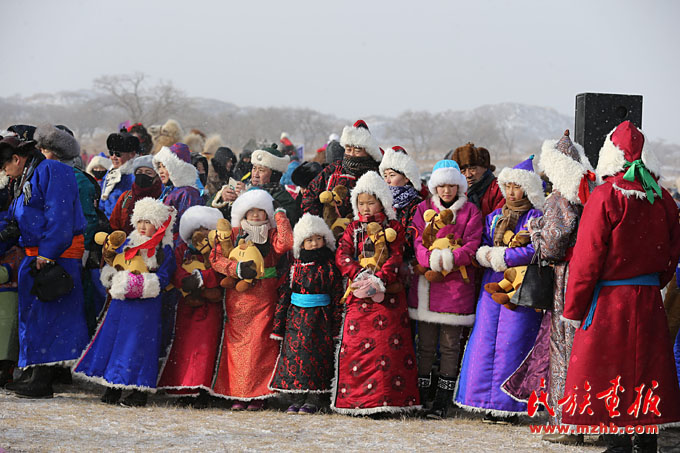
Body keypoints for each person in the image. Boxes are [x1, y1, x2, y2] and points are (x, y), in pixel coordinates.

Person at [561, 121, 680, 452]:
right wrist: (652, 283)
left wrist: (574, 307)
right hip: (648, 298)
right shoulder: (663, 198)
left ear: (610, 156)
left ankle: (617, 444)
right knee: (647, 370)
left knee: (609, 369)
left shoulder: (605, 196)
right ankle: (647, 442)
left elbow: (587, 259)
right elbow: (673, 253)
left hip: (610, 298)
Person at [501, 131, 595, 444]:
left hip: (566, 278)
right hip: (590, 276)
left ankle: (566, 422)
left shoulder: (559, 198)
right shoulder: (589, 193)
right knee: (584, 349)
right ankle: (586, 417)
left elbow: (553, 247)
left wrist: (535, 230)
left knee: (562, 347)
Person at [454, 156, 544, 422]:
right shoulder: (495, 217)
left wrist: (504, 256)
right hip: (491, 286)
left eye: (517, 187)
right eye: (508, 187)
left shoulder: (536, 217)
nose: (511, 192)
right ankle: (482, 400)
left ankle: (509, 405)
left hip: (520, 287)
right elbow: (482, 243)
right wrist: (485, 254)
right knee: (484, 342)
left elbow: (536, 250)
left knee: (514, 343)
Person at [0, 136, 89, 398]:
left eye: (4, 166)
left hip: (55, 255)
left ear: (16, 159)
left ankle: (43, 379)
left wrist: (48, 254)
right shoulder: (25, 178)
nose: (4, 172)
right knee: (35, 317)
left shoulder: (51, 170)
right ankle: (34, 372)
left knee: (51, 317)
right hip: (34, 254)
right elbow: (19, 218)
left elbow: (60, 215)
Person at [73, 198, 176, 407]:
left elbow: (164, 277)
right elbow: (115, 264)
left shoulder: (163, 248)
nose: (143, 226)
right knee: (115, 342)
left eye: (148, 222)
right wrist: (112, 278)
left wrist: (136, 284)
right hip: (121, 305)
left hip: (146, 306)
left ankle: (139, 390)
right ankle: (114, 384)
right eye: (140, 221)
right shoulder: (128, 242)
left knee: (140, 345)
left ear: (159, 224)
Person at [332, 171, 420, 415]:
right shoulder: (352, 228)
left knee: (387, 347)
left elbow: (396, 256)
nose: (366, 208)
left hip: (388, 295)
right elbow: (342, 254)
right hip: (358, 293)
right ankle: (356, 400)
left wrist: (380, 279)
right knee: (356, 347)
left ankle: (389, 400)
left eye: (370, 202)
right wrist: (359, 275)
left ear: (382, 202)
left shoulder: (393, 228)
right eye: (361, 203)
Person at [408, 159, 483, 418]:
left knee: (450, 346)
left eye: (451, 186)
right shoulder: (423, 208)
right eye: (442, 186)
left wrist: (451, 258)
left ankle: (442, 399)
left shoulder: (471, 211)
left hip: (455, 286)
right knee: (425, 344)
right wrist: (429, 259)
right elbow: (417, 240)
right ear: (435, 187)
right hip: (428, 284)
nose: (446, 191)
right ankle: (421, 395)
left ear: (459, 186)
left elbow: (472, 244)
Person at [209, 189, 293, 410]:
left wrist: (280, 215)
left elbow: (286, 244)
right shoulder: (233, 233)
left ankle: (259, 394)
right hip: (238, 298)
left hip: (265, 295)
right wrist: (235, 268)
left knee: (262, 344)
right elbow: (216, 258)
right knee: (237, 344)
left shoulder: (272, 234)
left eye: (261, 211)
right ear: (243, 213)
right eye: (251, 211)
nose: (255, 215)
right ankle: (237, 392)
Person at [270, 213, 343, 414]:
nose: (314, 243)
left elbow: (337, 296)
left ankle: (314, 398)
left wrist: (336, 326)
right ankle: (297, 397)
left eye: (318, 238)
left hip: (321, 319)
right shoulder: (295, 267)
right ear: (301, 244)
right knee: (295, 357)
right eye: (309, 240)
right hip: (296, 319)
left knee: (316, 358)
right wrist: (278, 326)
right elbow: (285, 295)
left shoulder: (330, 267)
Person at [157, 206, 224, 408]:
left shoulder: (218, 253)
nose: (201, 234)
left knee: (206, 348)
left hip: (210, 308)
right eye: (198, 229)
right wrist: (188, 283)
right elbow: (176, 270)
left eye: (206, 229)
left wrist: (201, 281)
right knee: (185, 347)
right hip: (186, 306)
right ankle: (184, 387)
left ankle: (203, 388)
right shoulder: (182, 250)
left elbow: (220, 272)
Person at [302, 120, 382, 218]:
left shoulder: (376, 172)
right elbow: (310, 195)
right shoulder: (334, 169)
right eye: (348, 150)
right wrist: (318, 221)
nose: (352, 154)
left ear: (368, 151)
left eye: (357, 151)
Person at [219, 144, 300, 226]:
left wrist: (247, 196)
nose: (255, 174)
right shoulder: (243, 187)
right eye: (254, 168)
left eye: (261, 170)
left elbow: (282, 223)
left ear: (274, 175)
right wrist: (223, 197)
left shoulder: (284, 198)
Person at [379, 146, 423, 262]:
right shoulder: (382, 202)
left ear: (407, 177)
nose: (387, 180)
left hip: (407, 261)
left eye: (392, 175)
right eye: (385, 176)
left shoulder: (417, 205)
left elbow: (413, 238)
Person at [153, 143, 203, 238]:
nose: (160, 171)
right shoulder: (170, 190)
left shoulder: (188, 193)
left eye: (165, 166)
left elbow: (185, 227)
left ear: (176, 168)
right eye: (159, 167)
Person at [109, 155, 164, 235]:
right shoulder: (126, 197)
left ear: (157, 177)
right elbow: (114, 224)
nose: (143, 175)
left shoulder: (162, 199)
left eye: (148, 173)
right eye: (139, 172)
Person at [448, 143, 504, 218]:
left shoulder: (499, 189)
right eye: (463, 171)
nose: (468, 175)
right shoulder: (457, 190)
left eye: (472, 169)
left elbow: (498, 219)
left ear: (485, 167)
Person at [100, 132, 140, 218]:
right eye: (111, 153)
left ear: (132, 154)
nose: (113, 157)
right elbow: (102, 201)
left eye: (118, 154)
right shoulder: (109, 174)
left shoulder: (135, 177)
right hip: (108, 221)